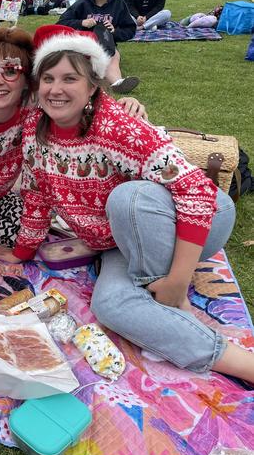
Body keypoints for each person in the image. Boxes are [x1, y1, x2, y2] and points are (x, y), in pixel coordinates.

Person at [14, 24, 254, 384]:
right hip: (123, 242)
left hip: (197, 216)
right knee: (110, 305)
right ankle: (238, 362)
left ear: (93, 85)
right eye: (47, 78)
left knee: (128, 197)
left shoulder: (117, 126)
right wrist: (21, 252)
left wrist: (178, 279)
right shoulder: (35, 130)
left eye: (70, 78)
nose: (56, 89)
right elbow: (36, 193)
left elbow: (197, 192)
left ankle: (170, 294)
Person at [0, 27, 146, 261]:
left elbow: (79, 109)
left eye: (10, 72)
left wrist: (124, 105)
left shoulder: (34, 116)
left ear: (27, 81)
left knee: (19, 227)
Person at [57, 0, 140, 94]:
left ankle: (118, 83)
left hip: (107, 44)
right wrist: (81, 23)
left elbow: (130, 29)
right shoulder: (83, 3)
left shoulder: (118, 3)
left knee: (112, 56)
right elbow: (61, 23)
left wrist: (114, 31)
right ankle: (91, 79)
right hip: (84, 46)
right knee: (84, 63)